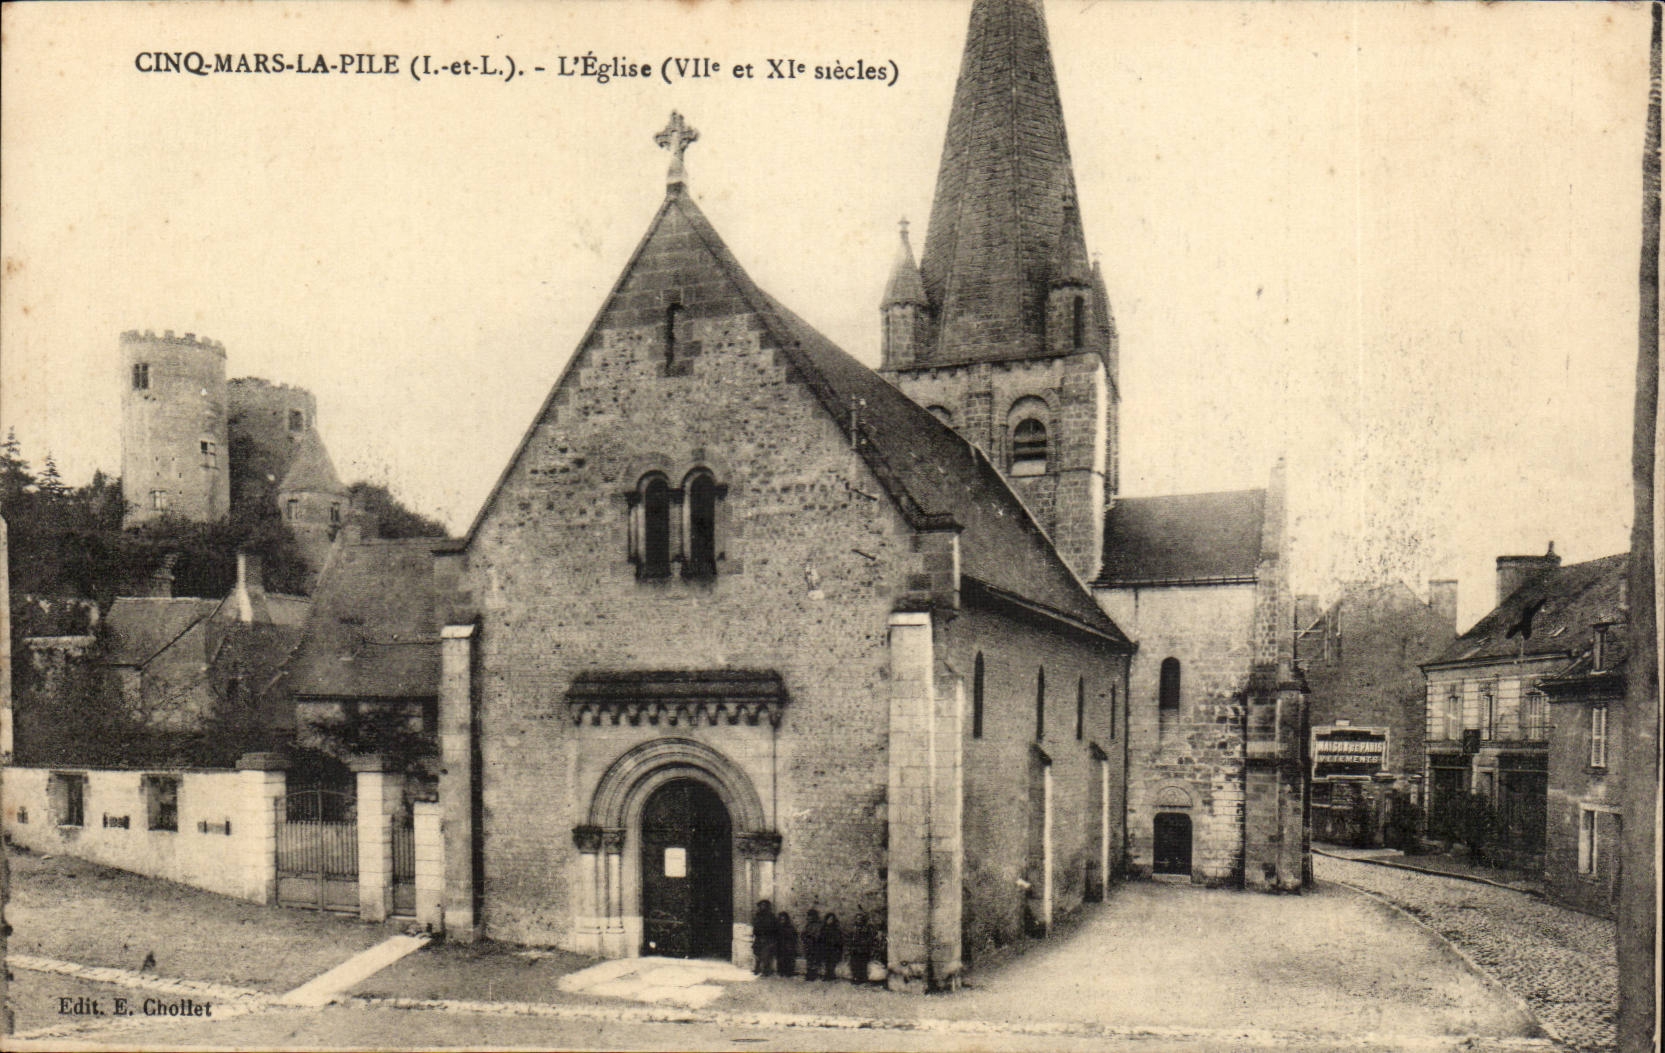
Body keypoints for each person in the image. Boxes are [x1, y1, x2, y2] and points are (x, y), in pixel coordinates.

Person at [846, 912, 874, 985]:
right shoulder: (853, 928)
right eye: (857, 918)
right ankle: (855, 977)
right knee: (854, 963)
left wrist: (864, 943)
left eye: (860, 919)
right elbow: (849, 937)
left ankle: (862, 978)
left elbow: (870, 938)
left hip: (863, 949)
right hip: (854, 949)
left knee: (862, 963)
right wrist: (850, 946)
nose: (859, 920)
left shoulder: (866, 928)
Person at [750, 899, 776, 976]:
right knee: (757, 953)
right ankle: (757, 968)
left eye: (764, 905)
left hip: (767, 938)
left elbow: (774, 927)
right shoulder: (757, 915)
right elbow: (755, 926)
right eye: (761, 905)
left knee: (766, 955)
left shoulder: (771, 916)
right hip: (759, 937)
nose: (763, 907)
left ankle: (766, 970)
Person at [819, 912, 844, 982]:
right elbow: (821, 937)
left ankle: (831, 974)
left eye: (832, 919)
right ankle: (827, 974)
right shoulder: (823, 928)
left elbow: (839, 939)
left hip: (833, 948)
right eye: (829, 919)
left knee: (832, 962)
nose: (830, 921)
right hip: (826, 948)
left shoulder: (836, 929)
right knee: (826, 962)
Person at [800, 909, 824, 980]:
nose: (809, 917)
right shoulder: (808, 925)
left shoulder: (818, 925)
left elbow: (818, 935)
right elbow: (803, 933)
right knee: (809, 960)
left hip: (815, 945)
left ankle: (813, 974)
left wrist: (810, 936)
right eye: (808, 916)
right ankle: (809, 973)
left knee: (814, 960)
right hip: (808, 945)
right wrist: (804, 936)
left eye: (810, 916)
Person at [774, 911, 798, 979]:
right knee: (780, 959)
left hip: (788, 946)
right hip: (780, 946)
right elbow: (775, 936)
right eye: (781, 919)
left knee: (788, 959)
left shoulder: (790, 927)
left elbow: (794, 936)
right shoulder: (777, 927)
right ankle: (781, 971)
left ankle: (789, 972)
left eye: (783, 919)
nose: (782, 921)